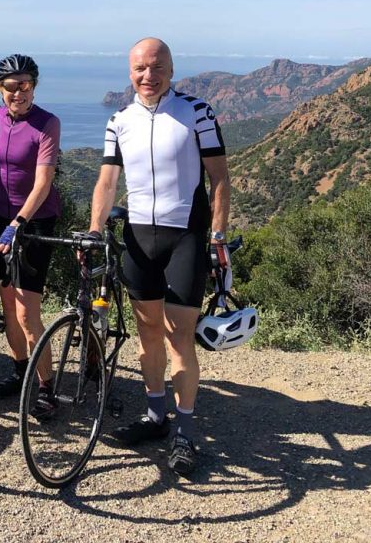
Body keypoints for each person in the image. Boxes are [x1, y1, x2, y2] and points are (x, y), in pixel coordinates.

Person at [89, 37, 229, 476]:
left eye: (157, 66)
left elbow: (220, 179)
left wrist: (218, 235)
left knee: (178, 336)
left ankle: (185, 432)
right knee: (148, 332)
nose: (148, 76)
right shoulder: (119, 119)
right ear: (129, 72)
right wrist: (94, 230)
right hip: (138, 237)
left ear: (171, 68)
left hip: (185, 237)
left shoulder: (196, 112)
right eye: (139, 69)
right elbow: (108, 181)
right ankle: (155, 416)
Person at [0, 55, 62, 401]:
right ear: (0, 89)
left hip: (35, 220)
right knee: (7, 302)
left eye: (25, 85)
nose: (18, 92)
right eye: (11, 86)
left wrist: (18, 223)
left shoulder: (47, 124)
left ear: (34, 87)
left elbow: (43, 183)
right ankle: (20, 372)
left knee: (27, 312)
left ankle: (45, 387)